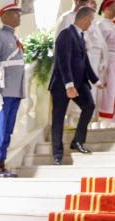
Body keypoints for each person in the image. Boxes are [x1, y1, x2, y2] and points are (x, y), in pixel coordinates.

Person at [50, 6, 102, 164]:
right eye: (91, 20)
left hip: (80, 83)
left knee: (89, 106)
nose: (91, 23)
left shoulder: (80, 36)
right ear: (85, 18)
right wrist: (69, 85)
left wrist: (96, 81)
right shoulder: (66, 34)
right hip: (62, 85)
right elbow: (63, 61)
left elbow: (84, 62)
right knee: (58, 118)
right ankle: (57, 155)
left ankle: (77, 141)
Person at [0, 2, 25, 177]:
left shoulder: (14, 38)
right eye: (15, 13)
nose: (19, 16)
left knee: (7, 129)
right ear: (4, 16)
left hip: (15, 91)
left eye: (19, 13)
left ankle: (1, 162)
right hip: (1, 91)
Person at [57, 0, 108, 114]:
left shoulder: (90, 19)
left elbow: (100, 41)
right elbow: (61, 42)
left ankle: (87, 116)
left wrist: (104, 58)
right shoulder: (67, 17)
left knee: (90, 90)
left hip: (91, 60)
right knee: (75, 89)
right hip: (75, 60)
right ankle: (72, 117)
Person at [99, 0, 115, 120]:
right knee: (109, 89)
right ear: (106, 8)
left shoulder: (112, 24)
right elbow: (99, 46)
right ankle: (106, 116)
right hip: (108, 60)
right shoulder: (101, 25)